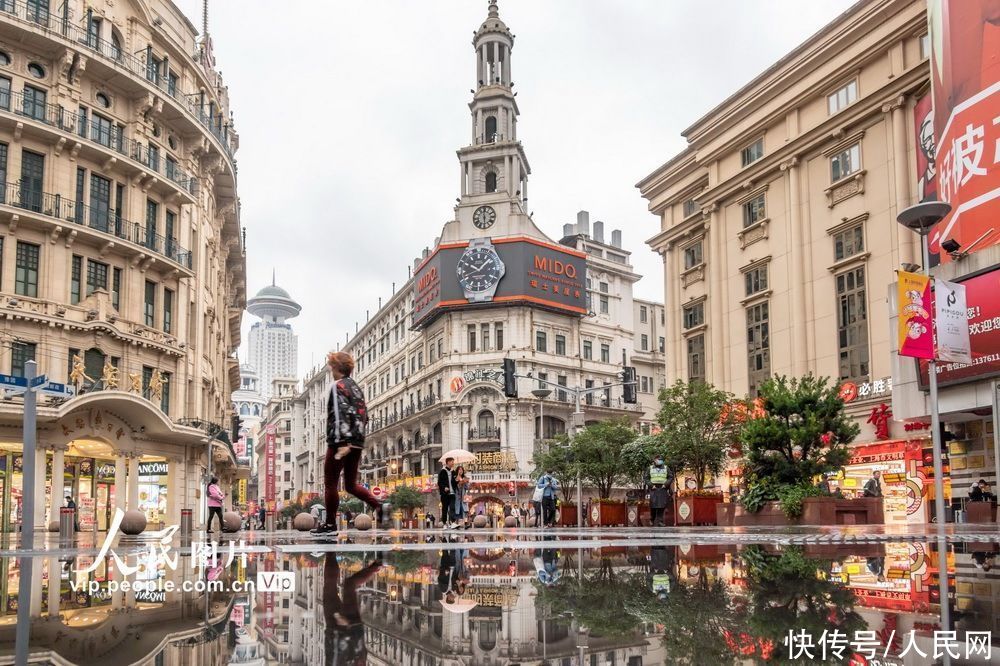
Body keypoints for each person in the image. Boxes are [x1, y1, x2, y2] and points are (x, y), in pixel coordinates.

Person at [313, 352, 383, 535]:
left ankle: (329, 524)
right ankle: (379, 506)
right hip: (358, 442)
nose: (330, 368)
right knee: (351, 485)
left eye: (331, 365)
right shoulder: (357, 388)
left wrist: (343, 442)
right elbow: (364, 415)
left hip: (340, 442)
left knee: (330, 483)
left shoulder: (338, 386)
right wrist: (355, 440)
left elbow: (340, 413)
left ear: (335, 366)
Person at [323, 553, 381, 665]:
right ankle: (378, 564)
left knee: (336, 585)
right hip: (348, 627)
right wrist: (347, 627)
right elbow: (359, 653)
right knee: (347, 585)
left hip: (337, 629)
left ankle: (330, 551)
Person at [438, 457, 457, 529]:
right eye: (452, 461)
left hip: (452, 493)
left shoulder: (453, 472)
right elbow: (439, 482)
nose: (453, 463)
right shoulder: (442, 471)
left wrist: (457, 480)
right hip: (445, 494)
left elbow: (454, 483)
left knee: (452, 508)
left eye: (453, 461)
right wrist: (444, 488)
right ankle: (444, 523)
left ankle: (453, 522)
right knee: (445, 508)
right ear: (448, 462)